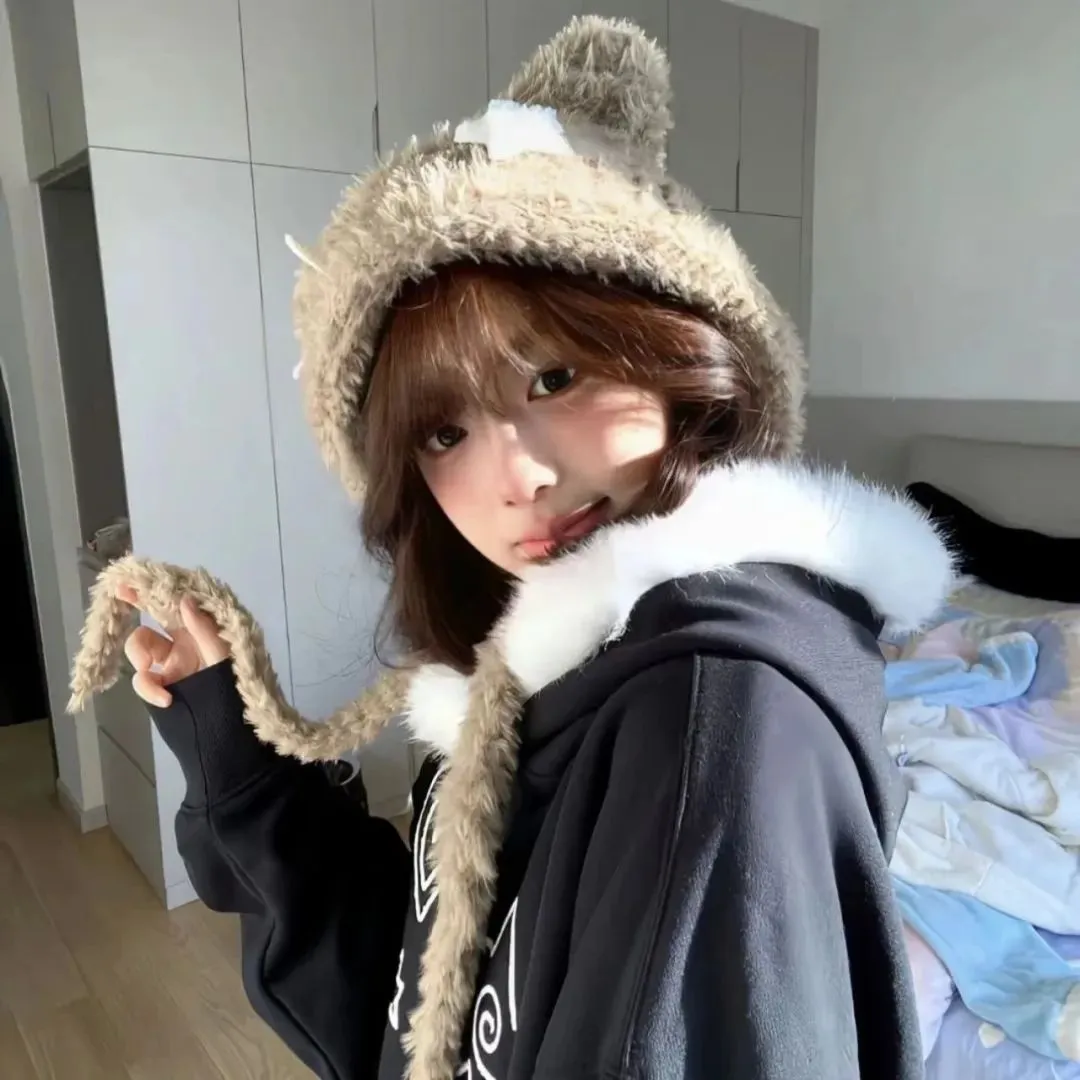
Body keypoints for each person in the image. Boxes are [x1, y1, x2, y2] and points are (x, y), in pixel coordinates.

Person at [70, 17, 956, 1080]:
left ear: (681, 355)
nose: (519, 477)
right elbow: (417, 1005)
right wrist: (233, 740)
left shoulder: (716, 735)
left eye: (555, 378)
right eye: (443, 434)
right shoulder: (526, 673)